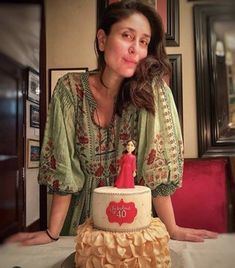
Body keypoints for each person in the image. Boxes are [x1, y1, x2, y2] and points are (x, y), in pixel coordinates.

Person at [7, 0, 217, 246]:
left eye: (143, 42)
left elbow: (154, 170)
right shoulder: (70, 89)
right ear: (102, 39)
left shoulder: (152, 93)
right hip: (78, 228)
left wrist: (172, 228)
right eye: (127, 36)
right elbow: (63, 166)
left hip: (132, 226)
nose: (135, 49)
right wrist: (53, 232)